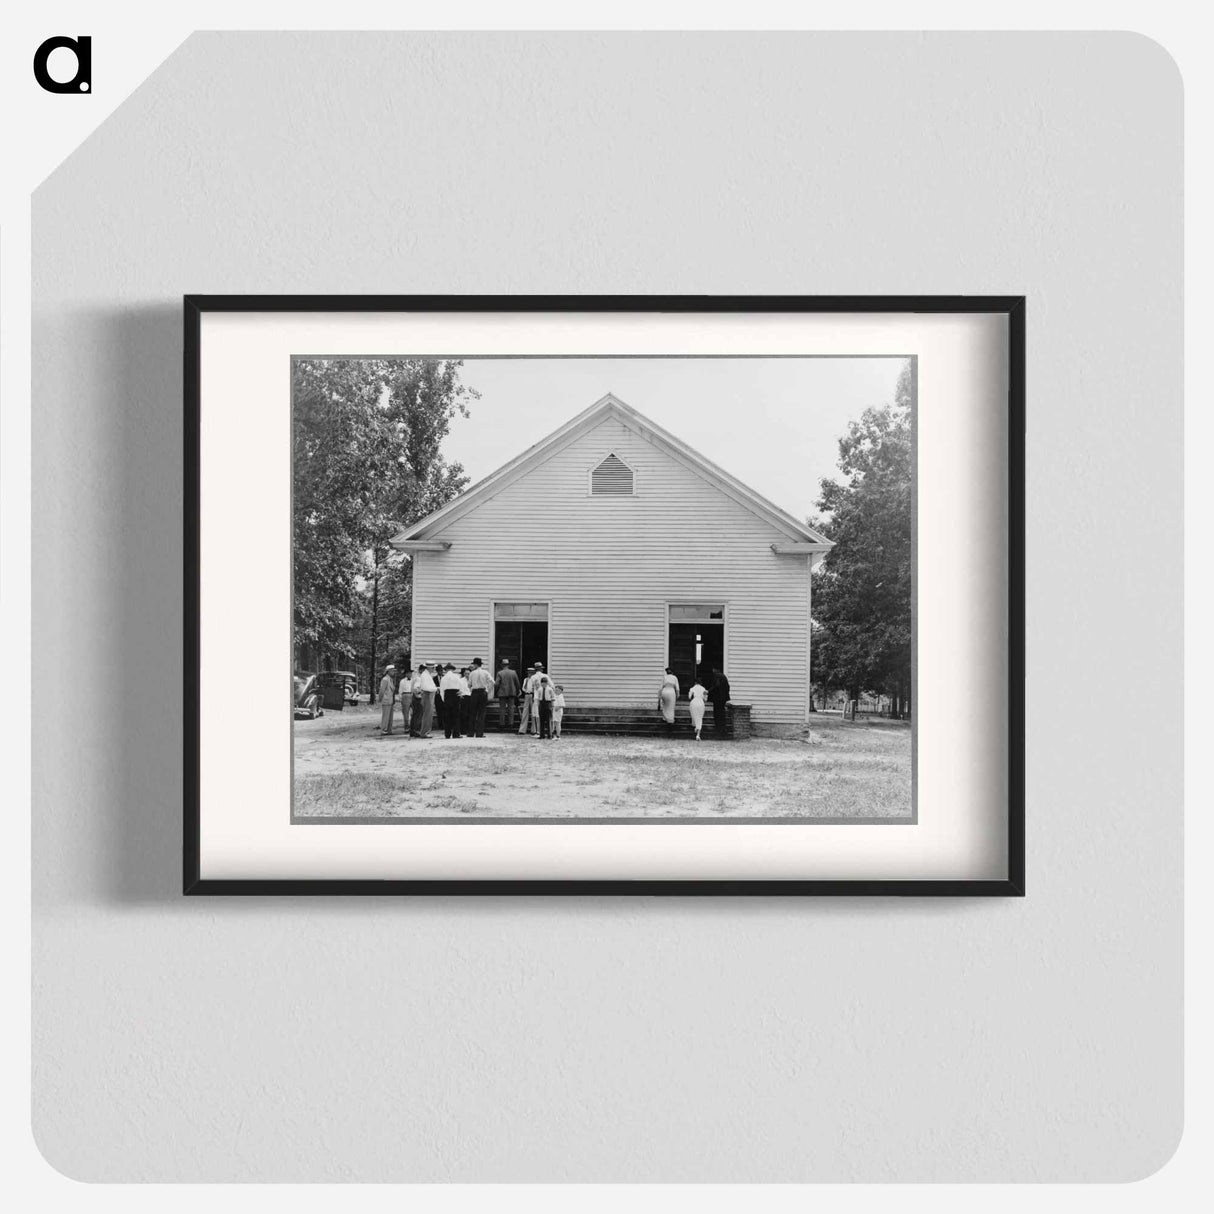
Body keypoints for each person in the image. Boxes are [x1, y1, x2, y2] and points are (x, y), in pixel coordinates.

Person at [468, 657, 493, 738]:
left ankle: (471, 733)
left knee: (472, 713)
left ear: (475, 665)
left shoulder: (472, 673)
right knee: (481, 713)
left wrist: (471, 688)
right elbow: (492, 682)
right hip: (482, 692)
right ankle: (479, 733)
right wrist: (487, 690)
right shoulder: (485, 672)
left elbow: (469, 684)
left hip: (475, 693)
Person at [494, 658, 521, 730]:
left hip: (502, 693)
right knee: (511, 708)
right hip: (512, 692)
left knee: (502, 709)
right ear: (508, 665)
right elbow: (517, 683)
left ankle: (502, 724)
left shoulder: (500, 673)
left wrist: (496, 691)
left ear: (502, 665)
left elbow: (496, 684)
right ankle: (510, 723)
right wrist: (517, 691)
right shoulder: (513, 672)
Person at [439, 664, 463, 738]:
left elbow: (441, 690)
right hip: (455, 694)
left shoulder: (444, 678)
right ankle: (456, 733)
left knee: (447, 715)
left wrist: (444, 699)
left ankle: (447, 734)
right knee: (456, 715)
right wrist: (460, 694)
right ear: (453, 670)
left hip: (447, 695)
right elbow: (461, 687)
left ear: (446, 670)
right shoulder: (457, 677)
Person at [415, 663, 436, 738]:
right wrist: (436, 688)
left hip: (429, 694)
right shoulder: (425, 675)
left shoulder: (427, 675)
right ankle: (424, 732)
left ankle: (426, 731)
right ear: (429, 668)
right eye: (433, 668)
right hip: (427, 694)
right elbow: (426, 687)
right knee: (427, 714)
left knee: (429, 714)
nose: (434, 669)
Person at [708, 668, 732, 735]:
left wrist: (709, 690)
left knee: (717, 713)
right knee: (722, 712)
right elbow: (728, 687)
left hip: (717, 698)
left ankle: (718, 728)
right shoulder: (724, 676)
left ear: (714, 669)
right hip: (723, 698)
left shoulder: (716, 676)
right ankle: (723, 728)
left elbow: (717, 685)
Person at [533, 670, 555, 739]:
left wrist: (552, 705)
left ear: (547, 683)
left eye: (545, 683)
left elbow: (553, 697)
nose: (543, 684)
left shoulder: (550, 689)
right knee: (541, 720)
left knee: (548, 719)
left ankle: (549, 735)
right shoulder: (539, 689)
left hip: (547, 703)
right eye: (542, 683)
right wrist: (538, 704)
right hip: (541, 704)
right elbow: (538, 697)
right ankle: (541, 735)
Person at [657, 666, 680, 731]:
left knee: (665, 705)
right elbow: (677, 688)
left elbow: (660, 687)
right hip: (671, 691)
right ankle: (670, 720)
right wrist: (678, 694)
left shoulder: (664, 677)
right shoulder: (674, 678)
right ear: (672, 672)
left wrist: (659, 695)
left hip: (664, 691)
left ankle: (665, 718)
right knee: (671, 706)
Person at [518, 665, 537, 736]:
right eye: (529, 673)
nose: (530, 674)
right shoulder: (526, 680)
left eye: (532, 673)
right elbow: (523, 688)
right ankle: (522, 730)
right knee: (525, 712)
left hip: (533, 695)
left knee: (533, 712)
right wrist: (526, 690)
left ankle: (534, 729)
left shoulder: (535, 680)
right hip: (527, 695)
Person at [378, 664, 397, 735]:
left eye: (394, 671)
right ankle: (383, 729)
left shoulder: (390, 679)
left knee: (390, 717)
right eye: (392, 671)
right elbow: (382, 690)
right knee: (385, 716)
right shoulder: (385, 679)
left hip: (390, 700)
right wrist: (380, 698)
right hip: (386, 700)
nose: (393, 672)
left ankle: (389, 730)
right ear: (388, 671)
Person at [458, 667, 473, 737]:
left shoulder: (472, 680)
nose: (467, 675)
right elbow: (459, 688)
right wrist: (460, 695)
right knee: (463, 714)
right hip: (464, 697)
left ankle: (469, 730)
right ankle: (463, 730)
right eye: (466, 673)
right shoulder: (461, 680)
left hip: (471, 697)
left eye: (469, 673)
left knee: (470, 714)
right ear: (464, 674)